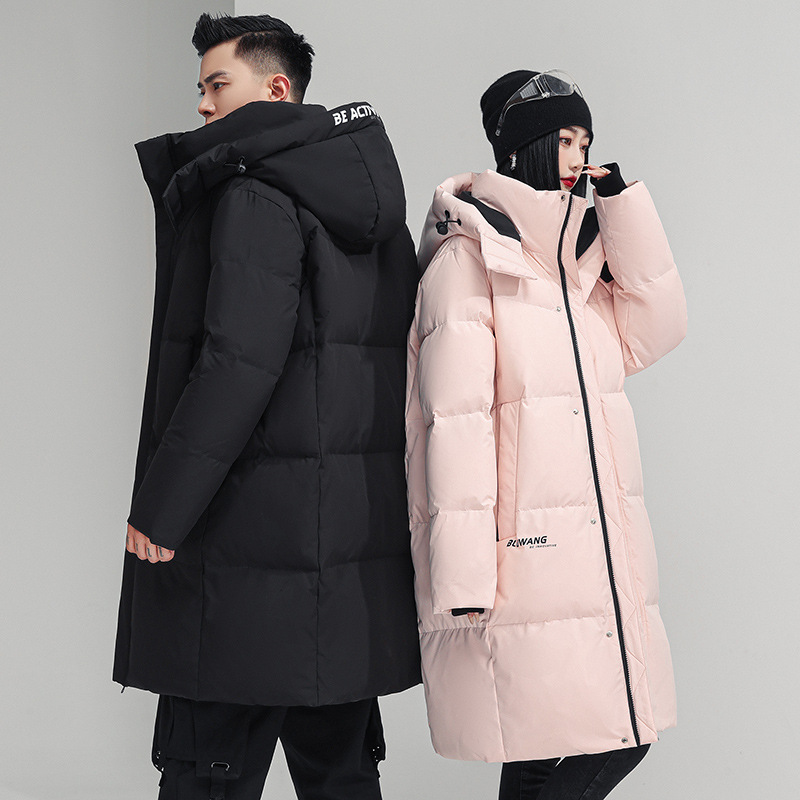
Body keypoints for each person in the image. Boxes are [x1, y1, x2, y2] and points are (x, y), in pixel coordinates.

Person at [114, 12, 421, 799]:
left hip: (245, 561)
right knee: (342, 778)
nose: (204, 105)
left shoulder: (255, 195)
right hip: (344, 563)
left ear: (277, 88)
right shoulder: (374, 212)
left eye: (218, 84)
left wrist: (163, 508)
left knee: (205, 776)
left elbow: (236, 366)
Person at [405, 70, 687, 799]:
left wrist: (619, 206)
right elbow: (454, 423)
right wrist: (462, 577)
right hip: (522, 559)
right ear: (520, 145)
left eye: (585, 142)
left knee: (565, 745)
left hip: (597, 549)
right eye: (564, 139)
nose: (578, 156)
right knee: (565, 743)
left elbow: (655, 329)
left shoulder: (576, 266)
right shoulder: (467, 260)